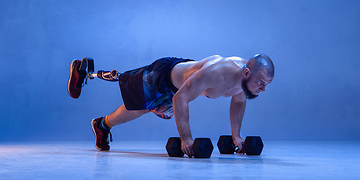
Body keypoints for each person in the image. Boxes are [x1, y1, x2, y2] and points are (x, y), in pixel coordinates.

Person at [67, 54, 274, 157]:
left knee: (140, 107)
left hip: (178, 88)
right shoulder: (218, 72)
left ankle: (101, 125)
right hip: (163, 76)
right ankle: (84, 71)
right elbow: (180, 99)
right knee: (126, 82)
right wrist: (186, 139)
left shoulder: (245, 84)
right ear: (246, 73)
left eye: (267, 85)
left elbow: (238, 103)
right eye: (261, 83)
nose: (263, 89)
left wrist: (236, 136)